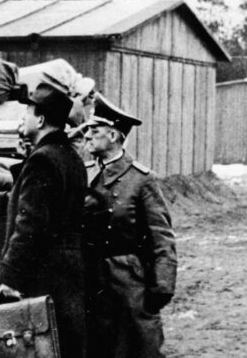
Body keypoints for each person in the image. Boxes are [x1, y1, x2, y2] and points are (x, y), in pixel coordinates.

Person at [0, 83, 89, 358]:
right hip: (67, 276)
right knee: (61, 345)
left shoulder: (42, 160)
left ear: (40, 119)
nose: (23, 118)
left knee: (33, 347)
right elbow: (40, 206)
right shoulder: (71, 159)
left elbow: (30, 226)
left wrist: (9, 279)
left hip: (40, 276)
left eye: (28, 111)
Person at [82, 93, 177, 358]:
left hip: (129, 283)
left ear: (113, 136)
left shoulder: (141, 180)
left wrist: (162, 286)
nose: (87, 135)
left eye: (94, 130)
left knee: (140, 348)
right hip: (93, 280)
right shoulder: (87, 173)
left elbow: (162, 237)